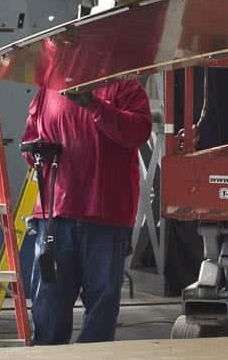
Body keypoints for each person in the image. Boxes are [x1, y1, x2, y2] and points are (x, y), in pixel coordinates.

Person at [20, 78, 151, 344]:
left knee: (102, 301)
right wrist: (37, 152)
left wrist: (94, 105)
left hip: (106, 214)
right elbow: (30, 140)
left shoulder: (123, 86)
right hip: (58, 214)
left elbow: (138, 132)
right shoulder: (49, 90)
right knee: (50, 298)